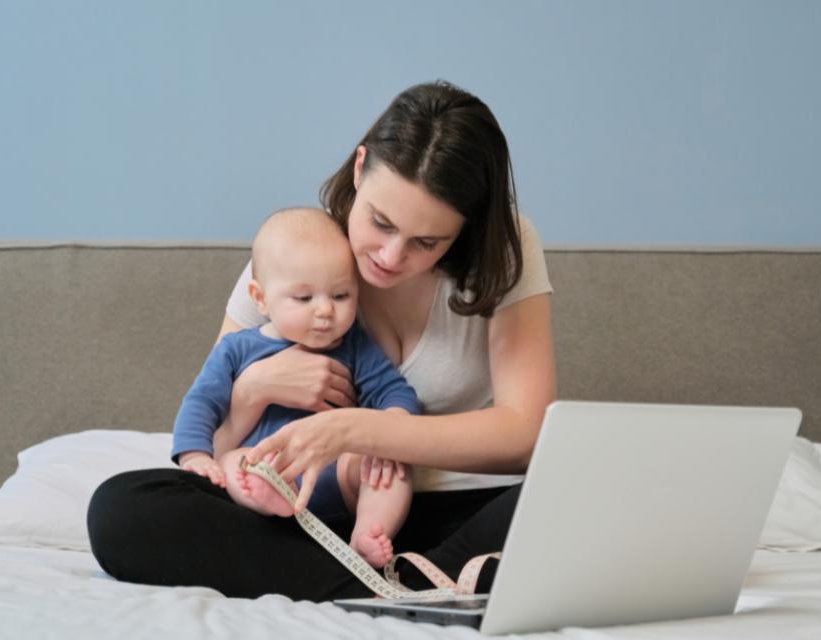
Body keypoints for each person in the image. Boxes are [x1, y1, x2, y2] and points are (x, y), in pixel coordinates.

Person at [87, 80, 556, 601]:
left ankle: (409, 574)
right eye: (380, 222)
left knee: (579, 485)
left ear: (466, 228)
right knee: (121, 508)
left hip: (451, 510)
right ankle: (391, 586)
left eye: (427, 242)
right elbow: (215, 444)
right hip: (299, 514)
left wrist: (355, 430)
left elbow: (526, 434)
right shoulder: (293, 257)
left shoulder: (506, 253)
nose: (391, 257)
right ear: (360, 168)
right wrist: (254, 389)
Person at [171, 207, 418, 568]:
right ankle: (270, 499)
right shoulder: (238, 349)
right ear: (260, 298)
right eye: (304, 299)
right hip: (268, 468)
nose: (325, 312)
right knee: (235, 461)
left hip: (338, 476)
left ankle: (368, 532)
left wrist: (390, 428)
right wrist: (195, 456)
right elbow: (201, 402)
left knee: (391, 464)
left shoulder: (355, 347)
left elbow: (395, 393)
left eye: (340, 296)